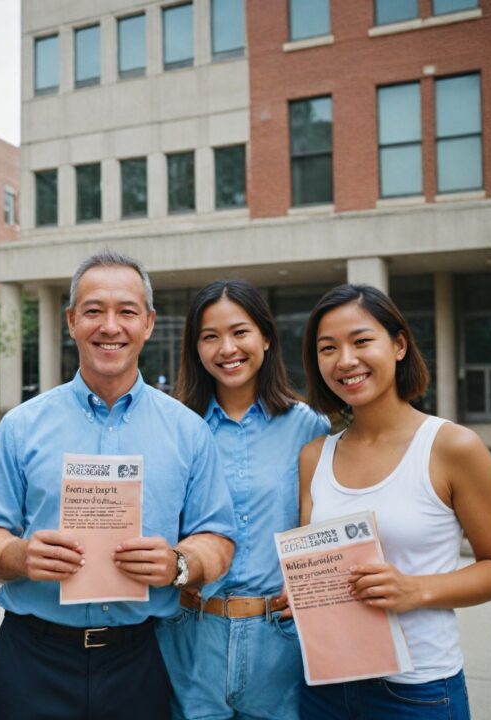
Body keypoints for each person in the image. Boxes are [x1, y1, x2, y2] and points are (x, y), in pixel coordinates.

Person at [0, 250, 236, 720]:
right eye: (94, 311)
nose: (110, 326)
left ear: (148, 323)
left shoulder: (188, 431)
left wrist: (178, 564)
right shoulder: (21, 426)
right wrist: (21, 556)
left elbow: (217, 540)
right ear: (71, 321)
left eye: (126, 312)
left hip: (141, 660)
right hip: (33, 658)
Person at [298, 283, 491, 719]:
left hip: (417, 692)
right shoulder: (315, 455)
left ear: (399, 344)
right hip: (324, 686)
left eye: (362, 341)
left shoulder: (452, 447)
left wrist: (415, 589)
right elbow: (318, 561)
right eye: (328, 348)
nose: (345, 360)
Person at [156, 280, 329, 719]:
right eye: (209, 336)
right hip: (190, 635)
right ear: (195, 349)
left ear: (266, 338)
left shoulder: (308, 426)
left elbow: (321, 524)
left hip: (280, 640)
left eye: (240, 332)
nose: (226, 348)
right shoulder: (173, 426)